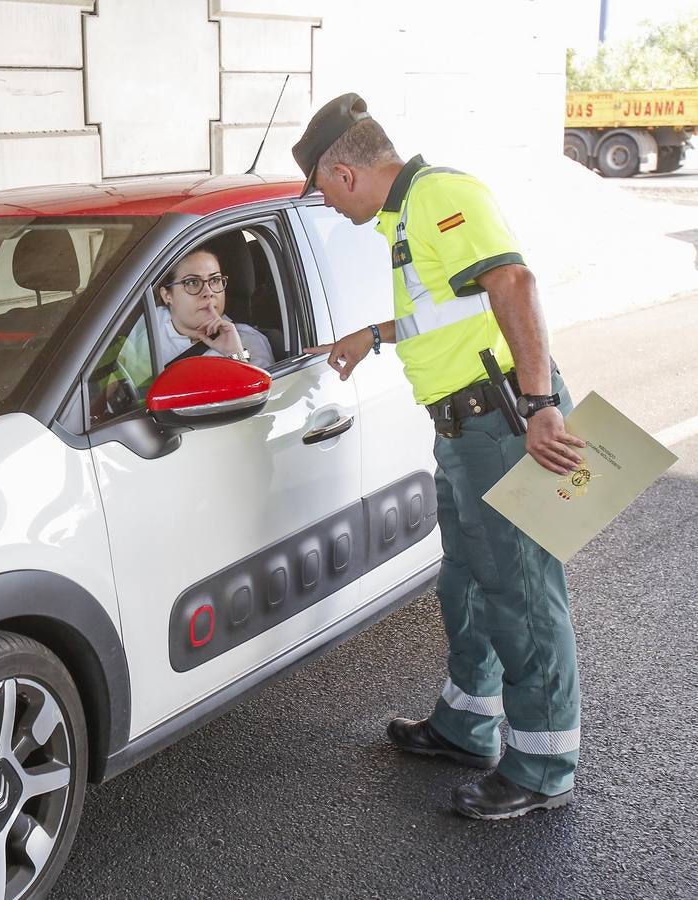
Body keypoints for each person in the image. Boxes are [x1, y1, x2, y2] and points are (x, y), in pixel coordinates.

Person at [293, 93, 587, 820]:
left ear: (344, 170)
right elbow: (449, 305)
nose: (327, 206)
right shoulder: (407, 217)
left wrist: (542, 404)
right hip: (463, 430)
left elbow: (512, 282)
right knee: (466, 583)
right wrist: (376, 333)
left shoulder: (440, 196)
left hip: (504, 422)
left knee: (520, 594)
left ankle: (544, 765)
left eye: (324, 190)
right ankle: (466, 724)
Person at [153, 247, 275, 367]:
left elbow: (261, 386)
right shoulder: (147, 324)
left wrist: (235, 355)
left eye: (215, 280)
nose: (208, 292)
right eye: (192, 282)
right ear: (167, 295)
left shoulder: (249, 341)